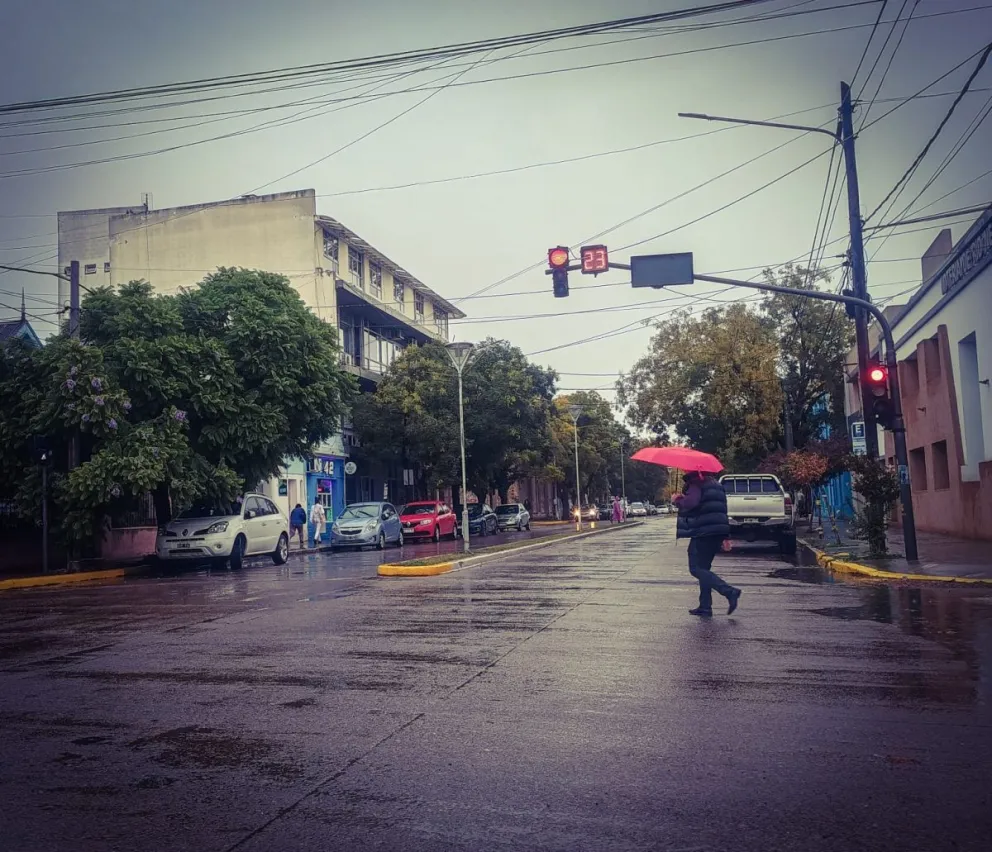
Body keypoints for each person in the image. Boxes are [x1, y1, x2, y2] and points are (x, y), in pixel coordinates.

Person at [674, 471, 741, 617]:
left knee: (696, 568)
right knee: (704, 569)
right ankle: (705, 606)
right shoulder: (717, 485)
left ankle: (729, 591)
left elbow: (691, 503)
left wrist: (678, 500)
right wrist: (726, 536)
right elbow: (721, 510)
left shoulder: (697, 484)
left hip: (703, 532)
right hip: (716, 532)